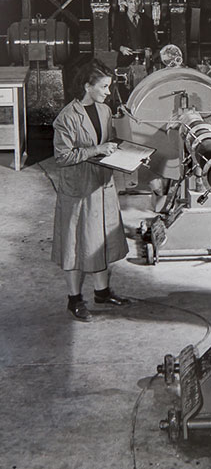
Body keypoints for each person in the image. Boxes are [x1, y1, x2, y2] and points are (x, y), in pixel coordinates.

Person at [51, 59, 130, 322]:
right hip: (79, 190)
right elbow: (62, 157)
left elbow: (108, 143)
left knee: (100, 241)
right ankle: (74, 299)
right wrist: (96, 150)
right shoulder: (67, 117)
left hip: (102, 185)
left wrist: (134, 156)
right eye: (104, 87)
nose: (108, 92)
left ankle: (102, 292)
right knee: (75, 245)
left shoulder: (105, 110)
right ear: (87, 86)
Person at [112, 0, 158, 67]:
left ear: (139, 2)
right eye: (130, 2)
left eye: (136, 1)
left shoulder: (146, 19)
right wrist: (122, 48)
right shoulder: (120, 20)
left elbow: (153, 42)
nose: (134, 5)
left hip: (144, 60)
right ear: (126, 4)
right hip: (125, 61)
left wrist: (150, 49)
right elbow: (115, 43)